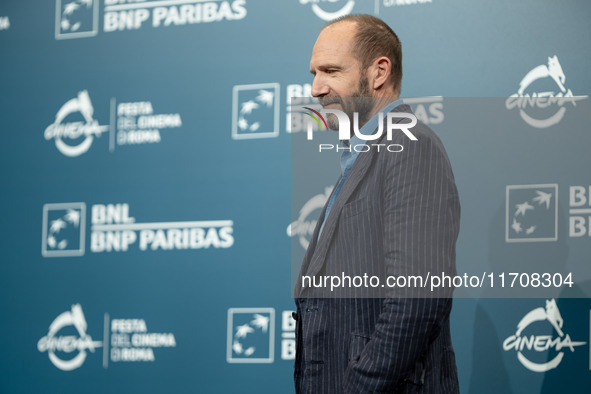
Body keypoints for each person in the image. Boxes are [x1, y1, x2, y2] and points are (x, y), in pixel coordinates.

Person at [293, 14, 461, 393]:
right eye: (313, 73)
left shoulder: (410, 147)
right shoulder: (365, 157)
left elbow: (416, 299)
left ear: (379, 72)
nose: (316, 89)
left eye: (331, 71)